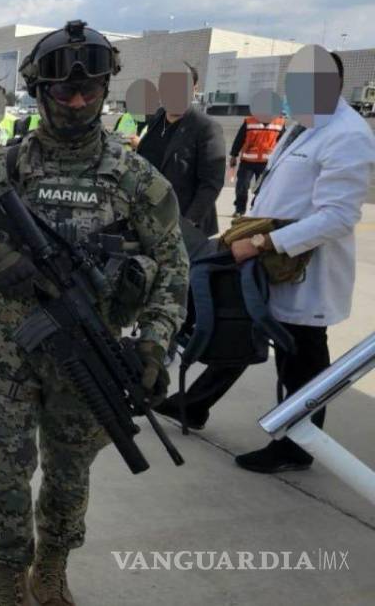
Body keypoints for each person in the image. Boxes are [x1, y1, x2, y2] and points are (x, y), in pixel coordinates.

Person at [0, 20, 188, 606]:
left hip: (86, 356)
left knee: (69, 475)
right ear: (39, 90)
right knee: (5, 475)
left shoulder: (137, 180)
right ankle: (10, 583)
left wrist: (154, 343)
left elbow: (173, 268)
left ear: (105, 89)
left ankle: (51, 569)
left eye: (89, 89)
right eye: (64, 90)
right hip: (7, 353)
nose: (78, 102)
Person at [157, 47, 375, 472]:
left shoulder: (347, 135)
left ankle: (297, 446)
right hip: (270, 264)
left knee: (301, 360)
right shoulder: (306, 126)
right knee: (241, 331)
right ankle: (194, 405)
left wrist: (262, 243)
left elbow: (338, 216)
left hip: (303, 270)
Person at [135, 62, 227, 236]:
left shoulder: (206, 127)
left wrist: (187, 225)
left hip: (183, 226)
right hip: (150, 219)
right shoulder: (156, 118)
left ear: (194, 89)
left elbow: (211, 183)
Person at [228, 110, 285, 217]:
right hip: (247, 162)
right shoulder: (249, 121)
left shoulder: (280, 123)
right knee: (242, 186)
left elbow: (283, 143)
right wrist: (233, 155)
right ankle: (240, 209)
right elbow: (239, 139)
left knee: (262, 189)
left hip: (267, 163)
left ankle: (255, 209)